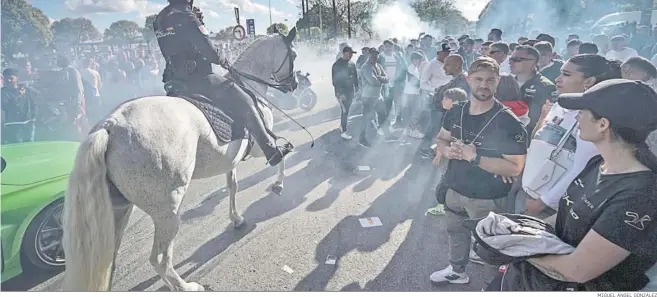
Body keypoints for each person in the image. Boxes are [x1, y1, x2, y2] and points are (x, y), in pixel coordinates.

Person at [492, 79, 657, 291]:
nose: (577, 116)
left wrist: (514, 248)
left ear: (603, 124)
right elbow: (566, 215)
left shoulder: (640, 194)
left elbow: (577, 270)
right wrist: (518, 229)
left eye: (582, 111)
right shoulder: (598, 163)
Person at [153, 0, 293, 166]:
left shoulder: (159, 19)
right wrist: (223, 60)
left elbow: (178, 44)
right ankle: (270, 151)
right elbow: (209, 49)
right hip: (198, 79)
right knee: (247, 101)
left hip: (173, 81)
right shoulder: (185, 14)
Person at [430, 57, 527, 288]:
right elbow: (441, 139)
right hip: (454, 186)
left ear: (498, 81)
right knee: (455, 231)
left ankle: (494, 287)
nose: (483, 85)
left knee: (490, 246)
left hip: (488, 197)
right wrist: (448, 151)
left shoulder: (508, 121)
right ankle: (456, 271)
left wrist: (475, 157)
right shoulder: (456, 110)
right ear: (468, 80)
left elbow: (515, 167)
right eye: (478, 79)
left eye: (490, 80)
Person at [517, 54, 621, 219]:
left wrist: (544, 201)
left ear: (588, 81)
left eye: (566, 74)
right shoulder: (559, 105)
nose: (557, 79)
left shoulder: (592, 118)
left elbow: (582, 168)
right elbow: (538, 139)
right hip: (531, 190)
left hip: (552, 207)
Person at [359, 48, 389, 148]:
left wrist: (379, 78)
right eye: (372, 56)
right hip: (368, 97)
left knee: (383, 116)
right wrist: (381, 79)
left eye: (376, 56)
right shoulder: (366, 67)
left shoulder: (378, 65)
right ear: (368, 56)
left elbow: (387, 78)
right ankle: (362, 139)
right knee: (366, 119)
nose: (374, 58)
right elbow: (373, 81)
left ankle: (386, 135)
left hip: (378, 96)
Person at [332, 46, 359, 140]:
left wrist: (357, 88)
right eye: (349, 53)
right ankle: (344, 131)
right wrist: (340, 93)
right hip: (342, 93)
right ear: (344, 53)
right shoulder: (337, 65)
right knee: (345, 111)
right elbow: (335, 81)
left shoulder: (352, 64)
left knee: (347, 110)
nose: (351, 55)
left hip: (350, 91)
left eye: (352, 54)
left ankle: (342, 126)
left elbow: (355, 76)